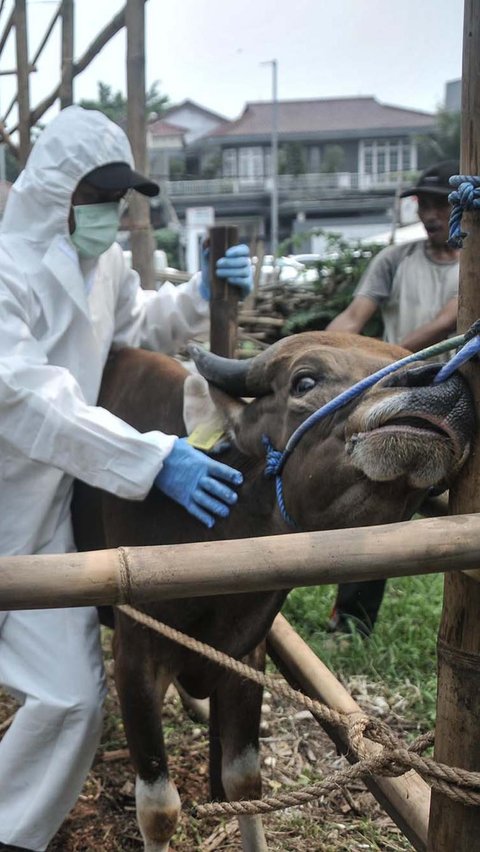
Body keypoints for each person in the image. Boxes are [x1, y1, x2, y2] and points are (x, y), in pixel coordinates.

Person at [0, 105, 253, 852]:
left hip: (44, 510)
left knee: (74, 700)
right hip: (10, 482)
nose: (115, 214)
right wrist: (151, 458)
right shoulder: (5, 273)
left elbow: (136, 322)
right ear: (56, 193)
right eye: (102, 198)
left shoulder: (102, 261)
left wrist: (199, 295)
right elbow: (23, 396)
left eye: (121, 200)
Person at [326, 159, 460, 637]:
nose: (429, 213)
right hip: (400, 398)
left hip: (461, 402)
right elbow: (353, 317)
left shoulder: (475, 264)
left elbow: (448, 323)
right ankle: (351, 623)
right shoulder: (395, 261)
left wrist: (391, 361)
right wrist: (321, 355)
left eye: (440, 203)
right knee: (373, 503)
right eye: (422, 203)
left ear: (462, 206)